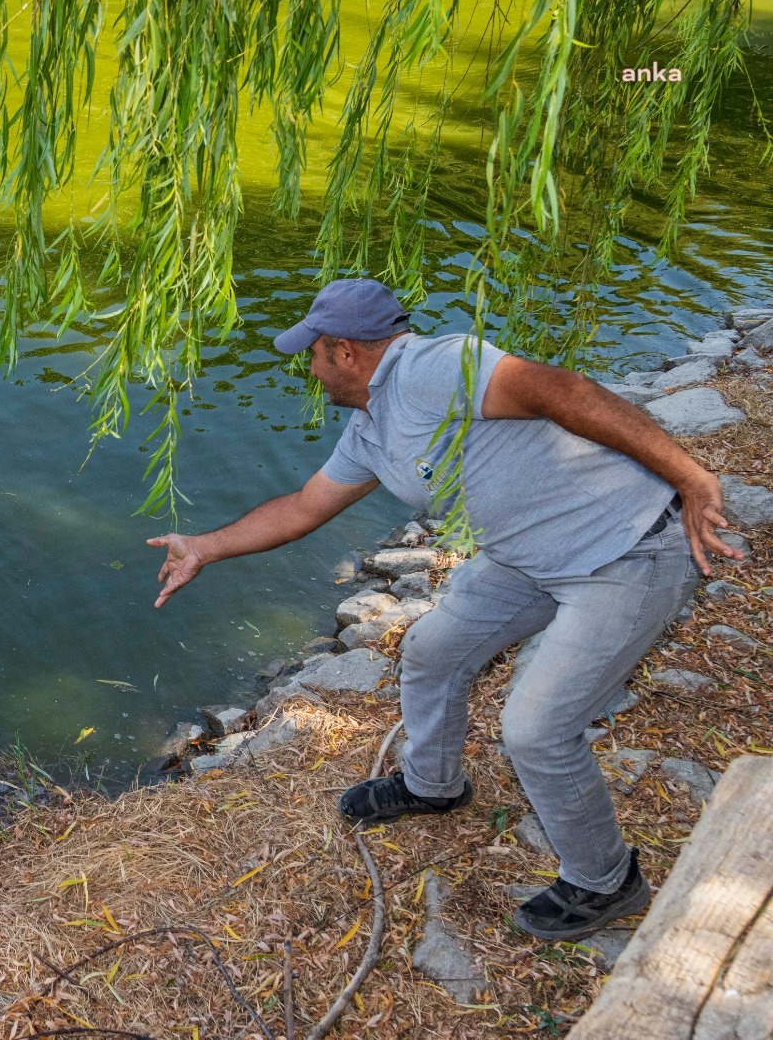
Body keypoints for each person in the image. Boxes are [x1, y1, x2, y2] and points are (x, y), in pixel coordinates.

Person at [147, 277, 743, 942]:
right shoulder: (371, 425)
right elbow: (304, 507)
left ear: (345, 351)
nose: (308, 367)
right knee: (431, 651)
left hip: (628, 552)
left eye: (312, 353)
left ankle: (608, 881)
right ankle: (434, 785)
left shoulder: (434, 369)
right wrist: (204, 547)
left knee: (536, 729)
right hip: (528, 559)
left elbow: (566, 392)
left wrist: (692, 478)